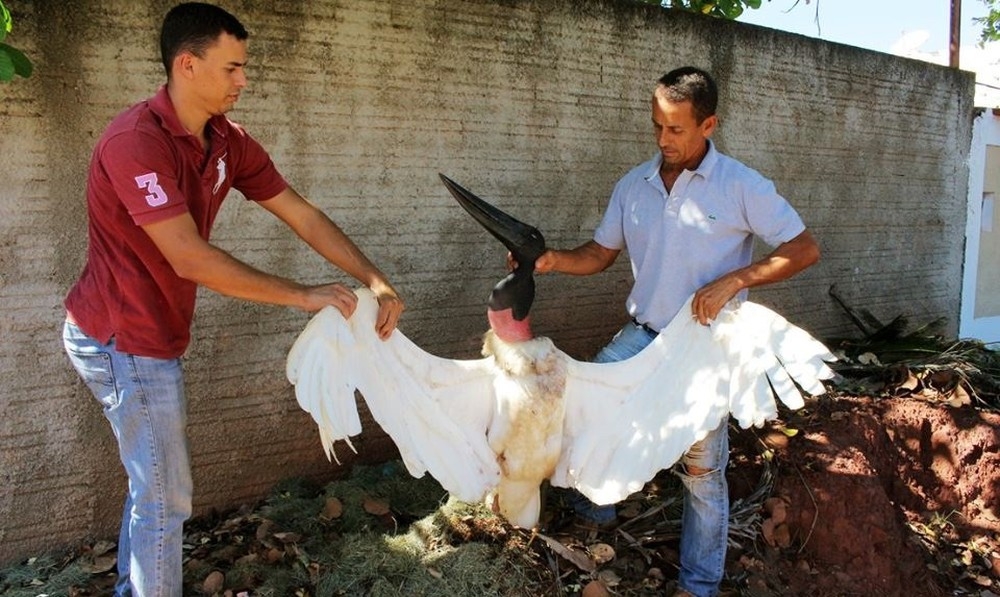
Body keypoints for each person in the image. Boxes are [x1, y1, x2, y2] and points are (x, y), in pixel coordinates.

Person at [60, 3, 404, 595]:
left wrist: (374, 278)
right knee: (168, 497)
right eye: (232, 68)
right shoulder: (134, 142)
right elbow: (188, 256)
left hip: (155, 334)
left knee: (155, 487)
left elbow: (301, 213)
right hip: (120, 340)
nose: (243, 80)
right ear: (188, 65)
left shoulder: (226, 141)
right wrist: (302, 295)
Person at [535, 67, 820, 597]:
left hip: (702, 348)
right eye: (657, 128)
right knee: (583, 405)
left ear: (708, 124)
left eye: (676, 130)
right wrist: (550, 261)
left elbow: (804, 248)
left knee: (700, 469)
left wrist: (735, 279)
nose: (663, 140)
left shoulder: (742, 185)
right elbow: (600, 255)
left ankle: (699, 584)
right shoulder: (634, 185)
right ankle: (594, 505)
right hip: (643, 334)